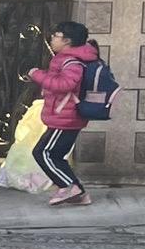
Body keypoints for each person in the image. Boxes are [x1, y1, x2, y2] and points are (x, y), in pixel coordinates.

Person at [28, 21, 99, 207]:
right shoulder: (68, 58)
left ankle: (69, 187)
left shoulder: (72, 61)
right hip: (65, 115)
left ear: (67, 40)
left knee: (43, 153)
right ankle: (80, 195)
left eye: (56, 36)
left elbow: (65, 85)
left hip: (66, 117)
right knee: (56, 155)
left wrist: (37, 75)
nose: (52, 38)